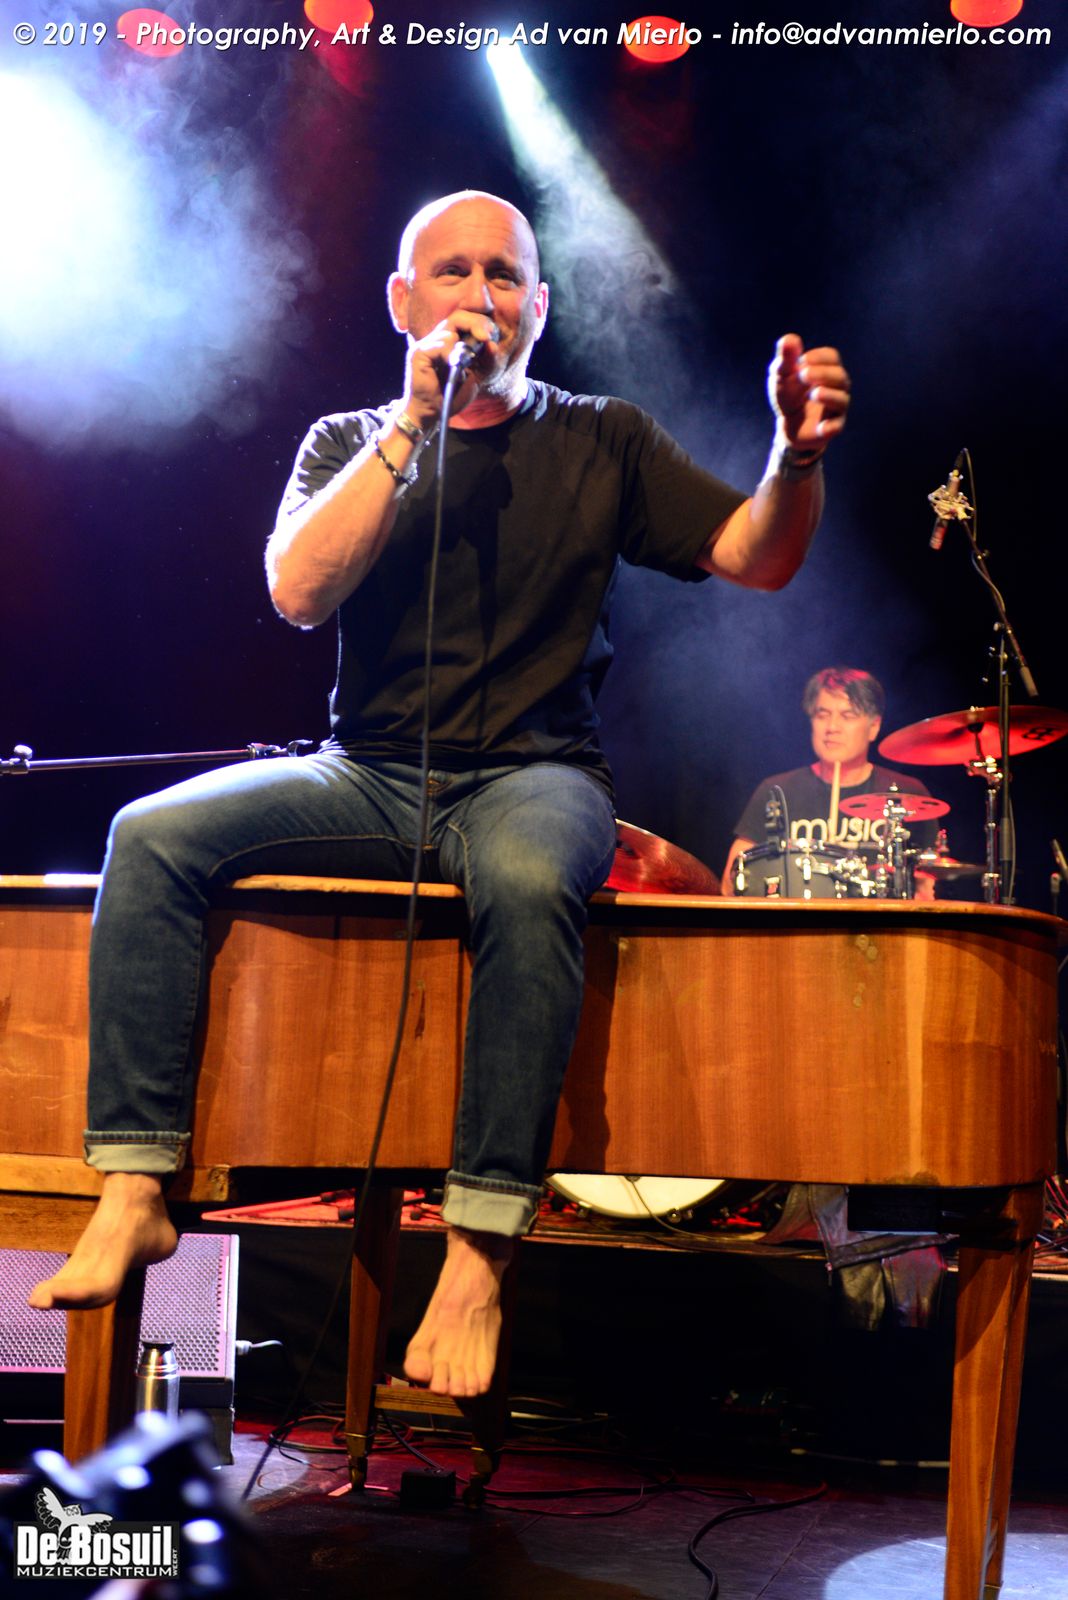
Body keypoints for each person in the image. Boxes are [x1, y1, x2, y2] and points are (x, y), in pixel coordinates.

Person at [30, 191, 851, 1396]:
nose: (481, 295)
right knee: (148, 835)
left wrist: (797, 458)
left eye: (505, 275)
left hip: (537, 775)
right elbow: (299, 592)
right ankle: (138, 1184)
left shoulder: (603, 436)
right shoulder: (349, 438)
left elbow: (758, 557)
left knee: (525, 871)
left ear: (540, 307)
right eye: (454, 271)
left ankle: (477, 1253)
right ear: (403, 299)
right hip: (367, 773)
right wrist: (414, 422)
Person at [721, 666, 937, 896]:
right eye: (822, 715)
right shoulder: (777, 791)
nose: (832, 727)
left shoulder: (907, 794)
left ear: (874, 727)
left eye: (848, 716)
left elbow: (929, 886)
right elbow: (730, 883)